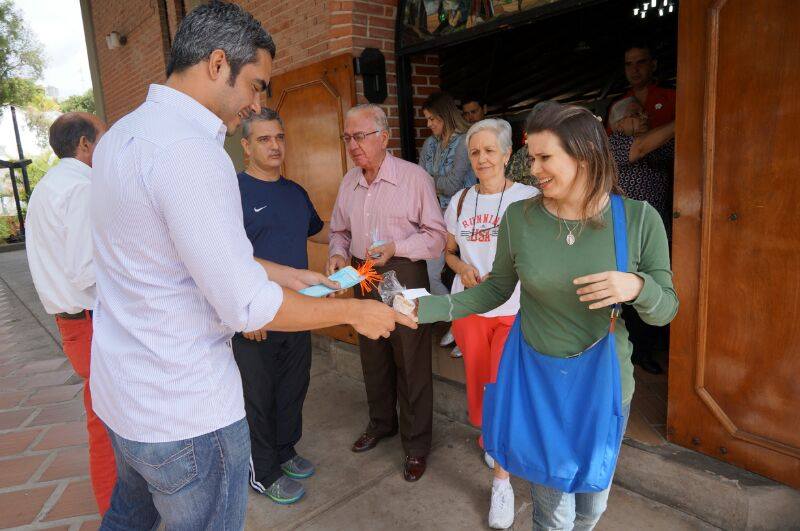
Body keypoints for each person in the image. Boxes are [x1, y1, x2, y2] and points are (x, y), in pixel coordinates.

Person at [89, 4, 414, 528]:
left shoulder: (121, 136)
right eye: (257, 85)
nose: (258, 103)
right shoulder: (191, 153)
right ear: (218, 64)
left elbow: (178, 259)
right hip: (186, 413)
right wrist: (354, 315)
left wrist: (286, 274)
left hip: (125, 399)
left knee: (128, 521)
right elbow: (244, 305)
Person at [415, 102, 678, 530]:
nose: (533, 169)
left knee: (592, 506)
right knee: (553, 514)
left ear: (584, 155)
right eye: (530, 158)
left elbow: (666, 308)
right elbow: (497, 290)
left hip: (605, 382)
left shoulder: (636, 220)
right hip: (537, 378)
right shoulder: (520, 218)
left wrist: (637, 287)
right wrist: (427, 308)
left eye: (544, 158)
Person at [327, 103, 447, 482]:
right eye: (348, 137)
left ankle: (416, 444)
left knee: (409, 359)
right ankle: (382, 423)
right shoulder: (350, 182)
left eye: (360, 136)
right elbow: (339, 232)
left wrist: (397, 247)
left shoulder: (413, 178)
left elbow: (437, 237)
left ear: (384, 136)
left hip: (403, 271)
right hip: (362, 271)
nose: (353, 145)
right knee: (372, 352)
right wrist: (336, 254)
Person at [444, 118, 538, 529]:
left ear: (506, 154)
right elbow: (448, 252)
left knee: (505, 386)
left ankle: (502, 482)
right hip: (469, 309)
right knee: (480, 382)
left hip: (515, 309)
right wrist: (461, 265)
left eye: (488, 151)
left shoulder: (529, 197)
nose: (481, 159)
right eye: (474, 152)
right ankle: (493, 439)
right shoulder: (460, 201)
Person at [233, 108, 330, 505]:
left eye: (279, 137)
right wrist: (243, 311)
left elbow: (320, 233)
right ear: (245, 146)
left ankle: (286, 449)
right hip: (255, 314)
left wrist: (346, 248)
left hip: (297, 310)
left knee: (294, 386)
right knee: (259, 395)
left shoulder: (295, 193)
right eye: (263, 139)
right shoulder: (232, 192)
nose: (275, 146)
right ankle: (264, 470)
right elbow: (225, 258)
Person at [24, 112, 116, 514]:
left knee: (106, 422)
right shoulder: (81, 188)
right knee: (109, 428)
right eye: (103, 139)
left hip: (75, 324)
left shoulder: (48, 187)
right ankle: (119, 516)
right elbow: (86, 269)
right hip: (92, 321)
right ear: (84, 145)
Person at [608, 96, 676, 375]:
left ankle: (647, 348)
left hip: (656, 230)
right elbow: (641, 146)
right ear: (618, 123)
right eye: (635, 114)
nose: (644, 117)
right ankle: (633, 353)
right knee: (628, 291)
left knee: (655, 287)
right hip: (624, 233)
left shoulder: (658, 144)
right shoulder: (615, 143)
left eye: (644, 112)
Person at [419, 92, 477, 354]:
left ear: (445, 116)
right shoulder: (430, 145)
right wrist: (431, 180)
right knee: (431, 274)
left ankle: (465, 332)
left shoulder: (464, 142)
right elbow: (421, 180)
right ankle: (457, 322)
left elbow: (453, 184)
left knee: (467, 275)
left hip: (465, 216)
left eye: (432, 118)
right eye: (427, 119)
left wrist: (428, 179)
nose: (429, 124)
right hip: (433, 217)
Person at [620, 43, 676, 129]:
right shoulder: (617, 104)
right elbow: (607, 139)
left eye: (641, 62)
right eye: (629, 64)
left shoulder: (673, 95)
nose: (634, 69)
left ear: (653, 65)